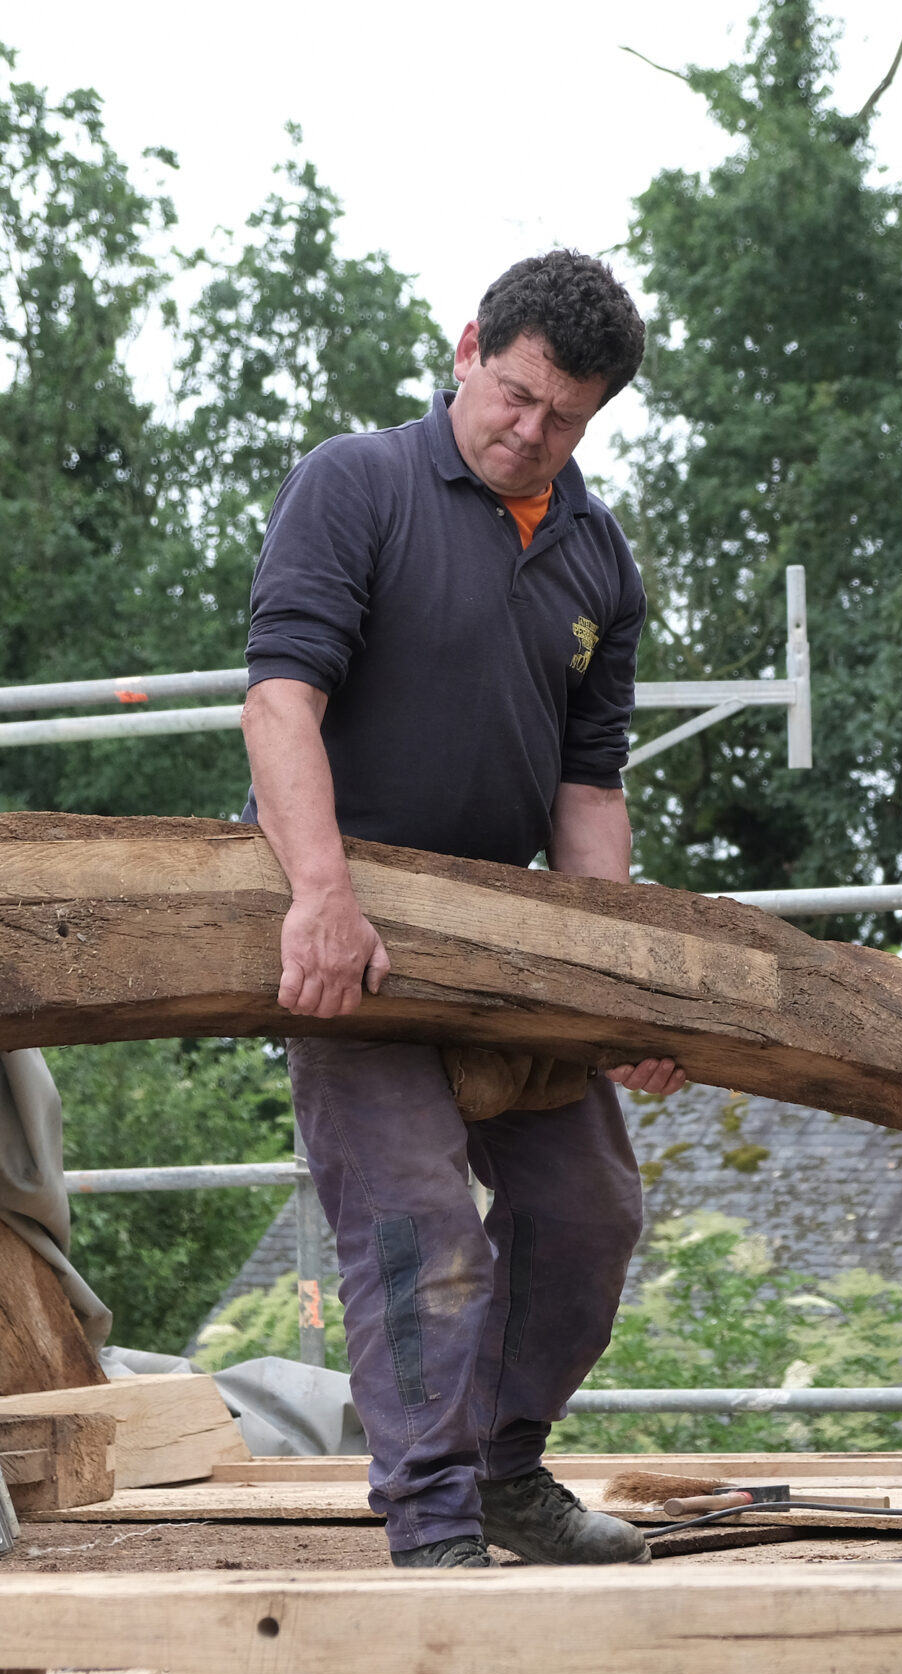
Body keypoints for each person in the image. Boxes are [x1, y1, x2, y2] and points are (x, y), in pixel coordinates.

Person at [239, 250, 685, 1569]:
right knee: (414, 1228)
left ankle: (503, 1471)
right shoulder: (356, 483)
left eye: (565, 418)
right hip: (355, 939)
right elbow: (280, 703)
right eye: (515, 395)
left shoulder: (598, 557)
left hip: (511, 942)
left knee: (591, 1209)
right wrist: (320, 891)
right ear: (467, 345)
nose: (529, 431)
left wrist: (614, 992)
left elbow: (588, 793)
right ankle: (433, 1526)